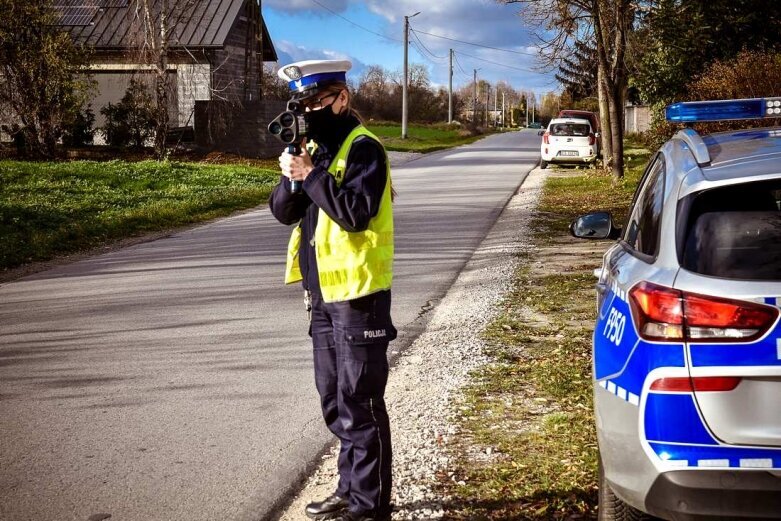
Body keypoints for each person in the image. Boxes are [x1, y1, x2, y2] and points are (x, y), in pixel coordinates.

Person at [269, 59, 396, 521]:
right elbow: (283, 212)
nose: (309, 111)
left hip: (359, 299)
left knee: (360, 402)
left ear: (341, 98)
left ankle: (370, 507)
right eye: (302, 103)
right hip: (322, 299)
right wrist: (292, 175)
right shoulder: (315, 152)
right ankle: (349, 490)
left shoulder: (365, 149)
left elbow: (356, 213)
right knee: (335, 400)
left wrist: (312, 176)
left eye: (316, 101)